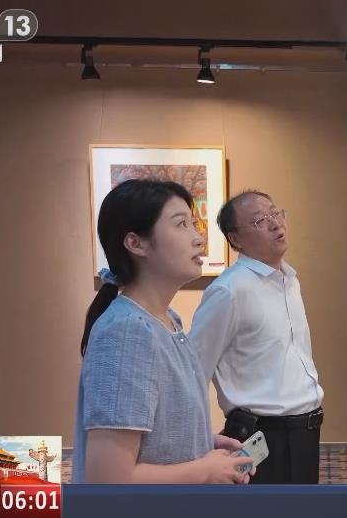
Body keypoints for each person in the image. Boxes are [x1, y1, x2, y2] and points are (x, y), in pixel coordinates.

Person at [72, 179, 254, 484]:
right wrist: (204, 471)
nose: (198, 238)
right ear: (136, 243)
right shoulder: (127, 332)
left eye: (193, 224)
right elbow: (108, 479)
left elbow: (149, 438)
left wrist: (200, 442)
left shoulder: (168, 321)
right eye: (181, 224)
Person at [190, 190, 324, 484]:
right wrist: (196, 442)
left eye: (276, 213)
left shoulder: (289, 281)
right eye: (260, 220)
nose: (275, 223)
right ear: (235, 239)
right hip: (260, 436)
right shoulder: (228, 291)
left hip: (306, 431)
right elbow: (194, 370)